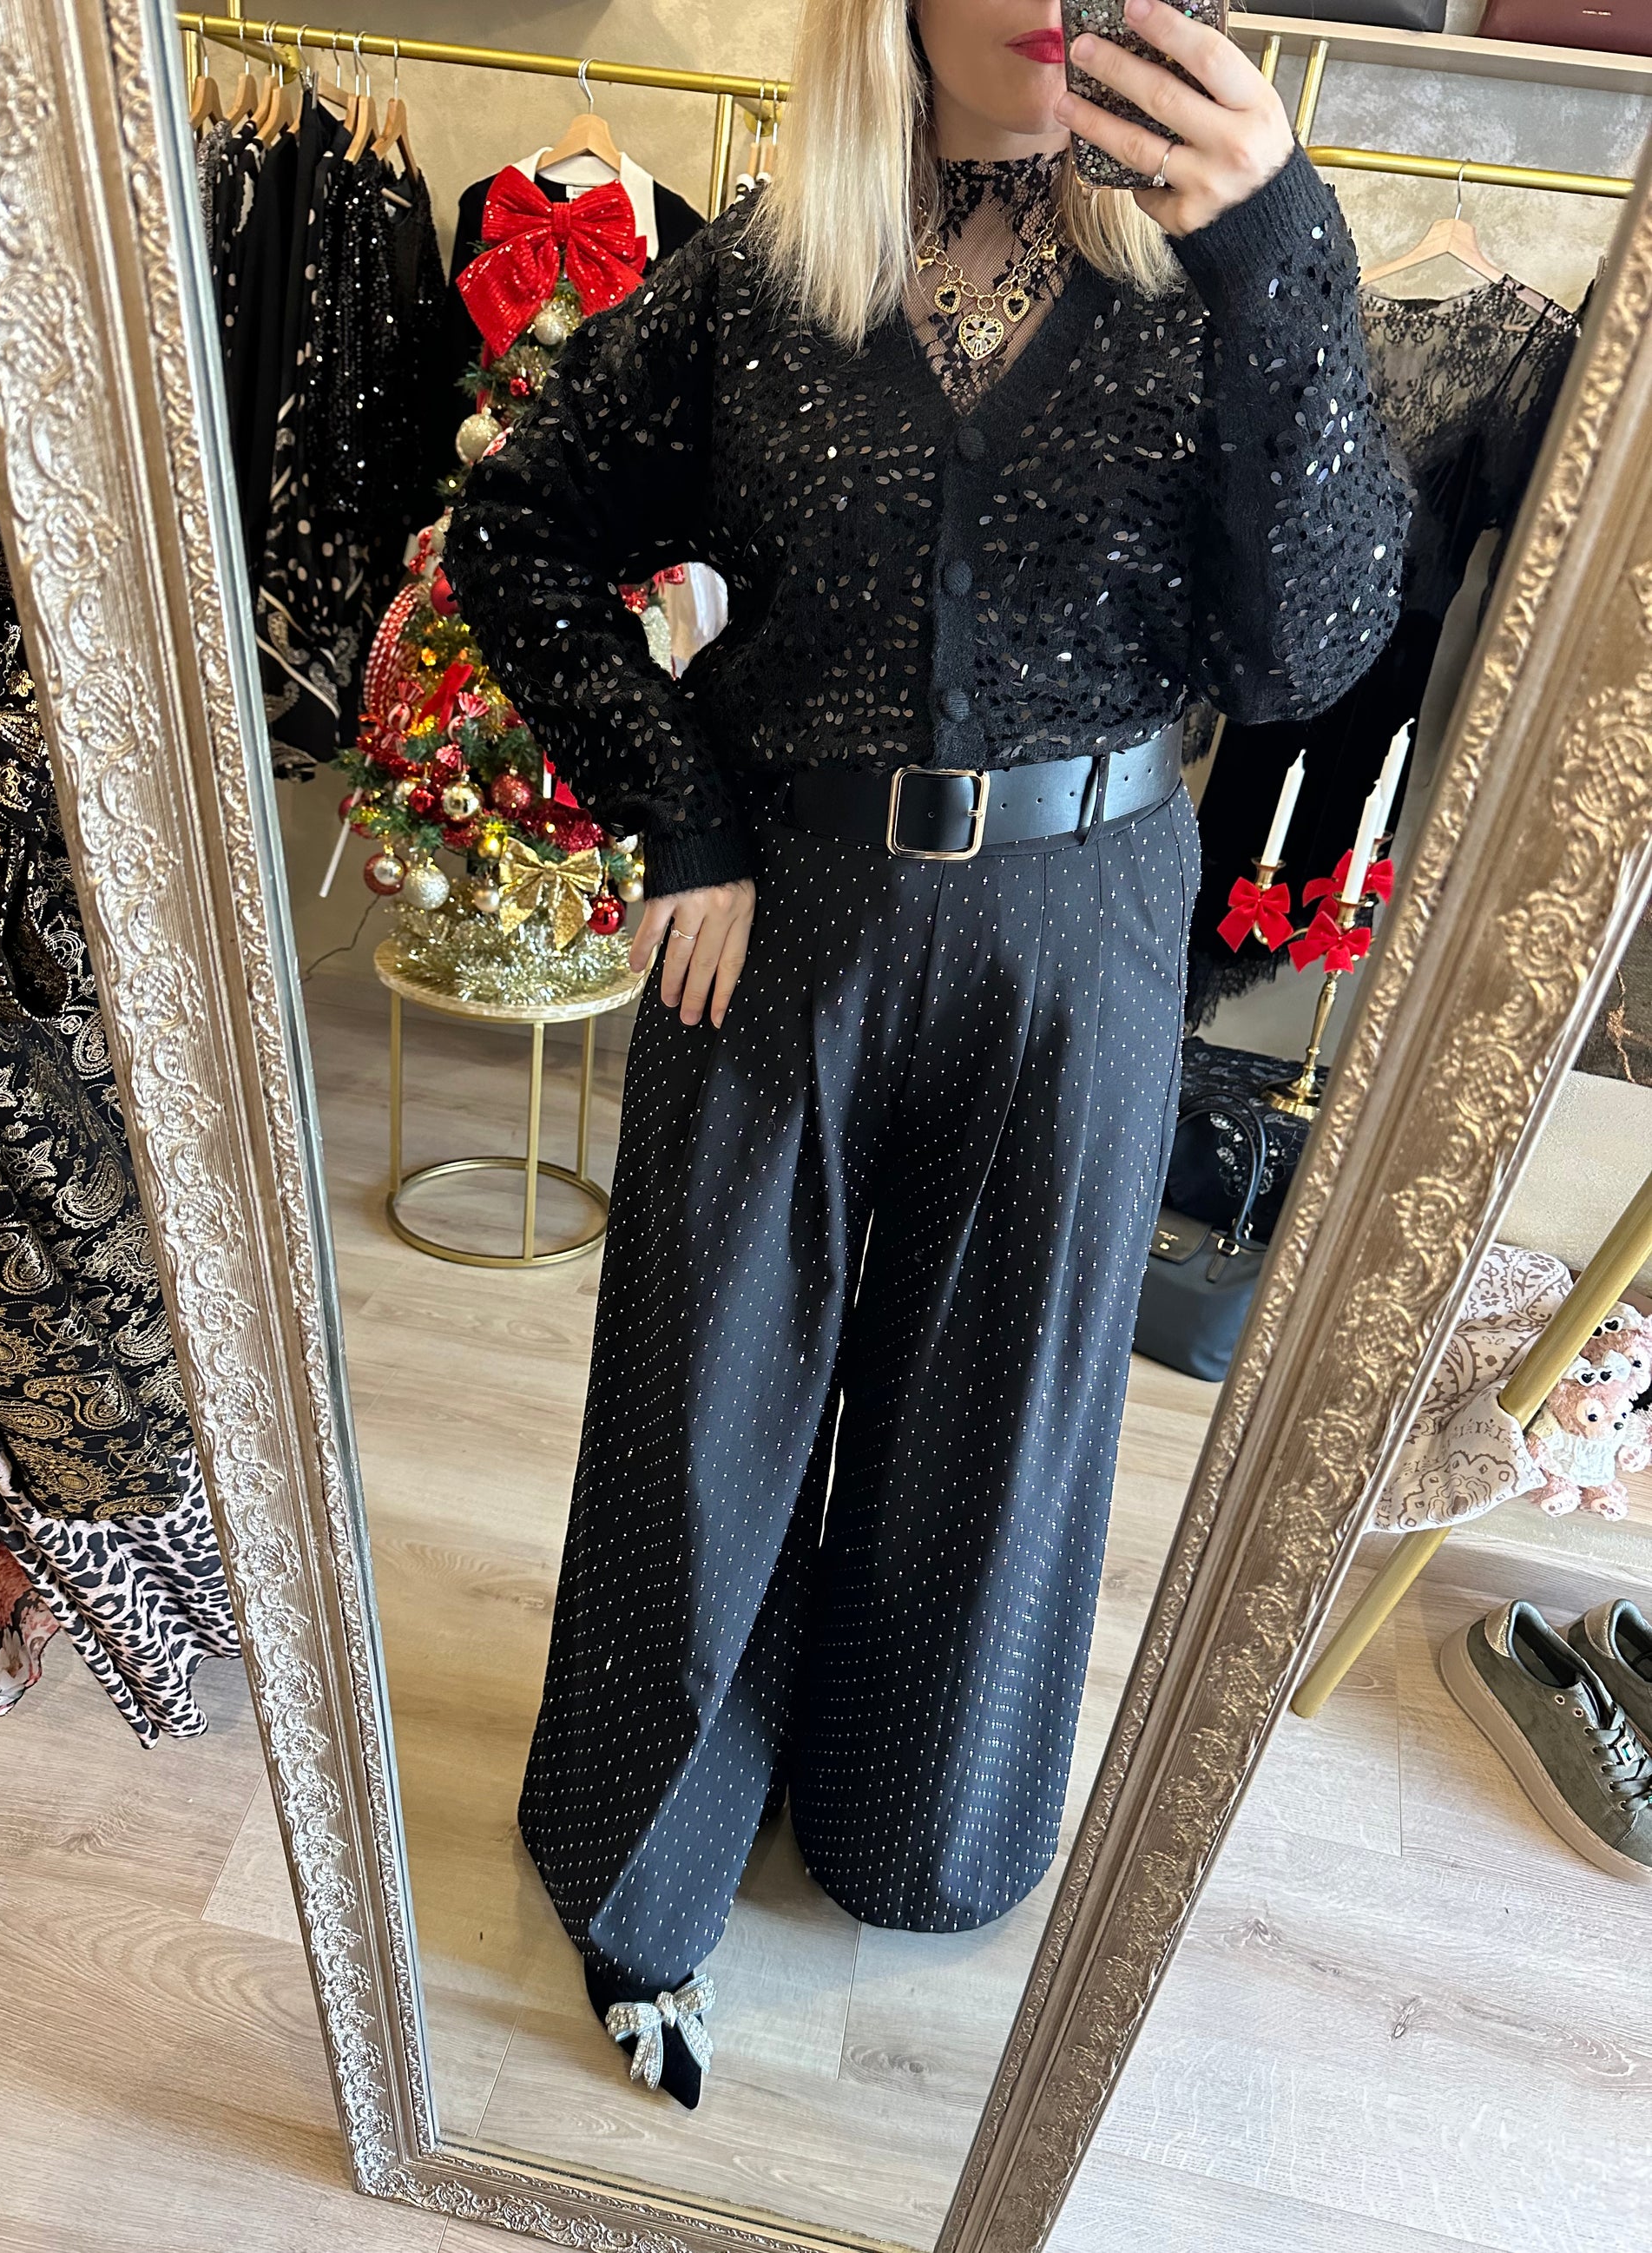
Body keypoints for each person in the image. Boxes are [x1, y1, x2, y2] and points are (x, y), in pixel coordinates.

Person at [444, 0, 1406, 2108]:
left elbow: (1314, 651)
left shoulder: (1230, 280)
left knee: (1000, 1407)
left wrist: (1274, 245)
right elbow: (517, 539)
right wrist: (677, 815)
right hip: (782, 909)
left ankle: (914, 1826)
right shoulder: (768, 279)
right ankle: (646, 1863)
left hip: (1083, 926)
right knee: (703, 1389)